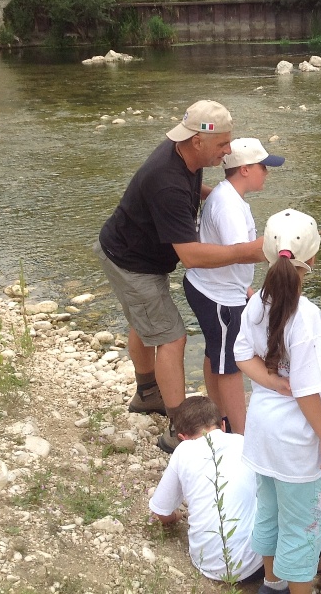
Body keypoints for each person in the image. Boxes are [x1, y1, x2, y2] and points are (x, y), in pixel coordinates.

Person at [94, 100, 266, 452]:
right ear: (197, 141)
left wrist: (221, 197)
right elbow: (190, 257)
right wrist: (249, 250)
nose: (228, 151)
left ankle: (146, 393)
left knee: (144, 322)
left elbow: (190, 196)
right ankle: (179, 429)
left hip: (133, 253)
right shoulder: (167, 180)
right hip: (131, 262)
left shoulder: (189, 156)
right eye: (222, 145)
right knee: (172, 338)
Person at [233, 209, 321, 594]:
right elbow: (308, 389)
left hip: (262, 431)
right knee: (303, 527)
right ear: (311, 261)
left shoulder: (256, 302)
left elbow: (242, 355)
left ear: (267, 254)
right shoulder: (307, 315)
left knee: (270, 511)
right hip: (296, 442)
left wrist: (271, 381)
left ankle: (272, 584)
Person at [149, 395, 321, 588]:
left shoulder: (182, 452)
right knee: (298, 523)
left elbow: (161, 512)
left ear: (181, 437)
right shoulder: (243, 443)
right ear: (223, 425)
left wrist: (176, 516)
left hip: (207, 563)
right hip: (254, 564)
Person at [184, 138, 285, 434]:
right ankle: (239, 434)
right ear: (244, 169)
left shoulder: (227, 195)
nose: (267, 172)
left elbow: (233, 256)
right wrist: (291, 245)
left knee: (215, 352)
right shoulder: (228, 205)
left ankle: (220, 417)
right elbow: (241, 250)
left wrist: (245, 289)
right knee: (230, 364)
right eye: (262, 166)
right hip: (218, 296)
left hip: (214, 288)